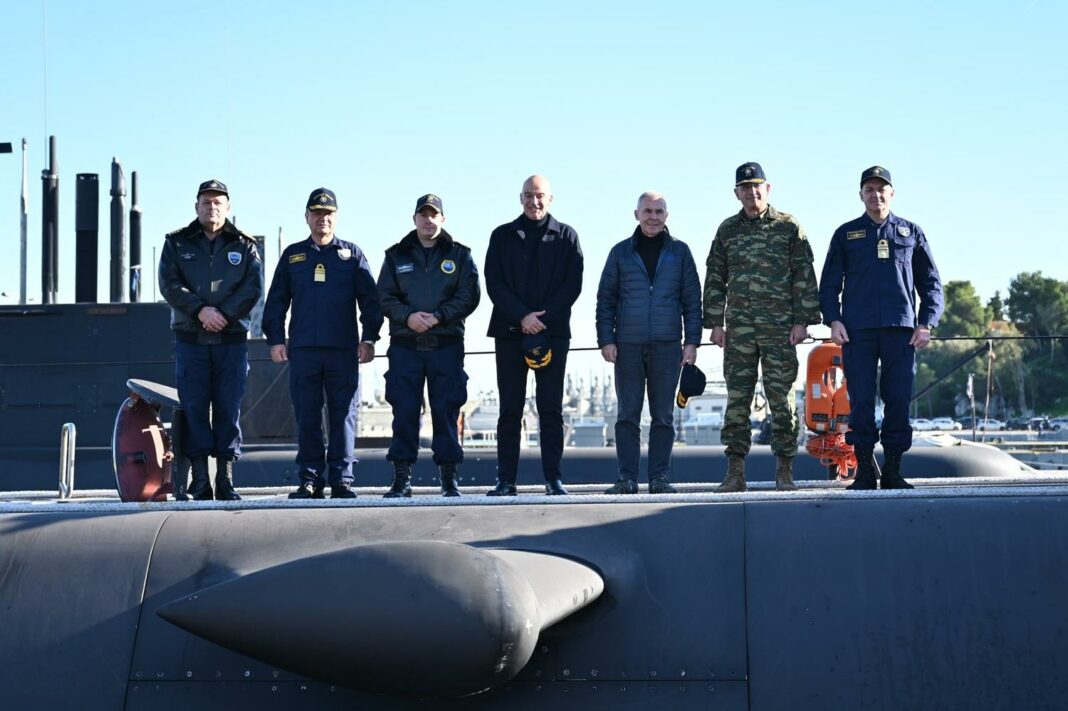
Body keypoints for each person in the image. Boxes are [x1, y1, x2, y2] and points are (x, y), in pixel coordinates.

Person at [819, 166, 943, 490]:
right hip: (857, 331)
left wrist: (926, 323)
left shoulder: (911, 233)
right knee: (860, 400)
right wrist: (833, 319)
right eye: (869, 189)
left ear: (892, 193)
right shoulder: (846, 234)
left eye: (881, 189)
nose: (876, 195)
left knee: (898, 399)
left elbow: (931, 284)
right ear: (861, 195)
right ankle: (863, 471)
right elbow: (829, 283)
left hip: (901, 331)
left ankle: (892, 470)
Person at [704, 162, 821, 492]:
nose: (751, 192)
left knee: (781, 400)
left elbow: (804, 274)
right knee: (737, 401)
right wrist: (714, 323)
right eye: (745, 187)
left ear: (768, 189)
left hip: (780, 329)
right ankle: (735, 472)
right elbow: (715, 276)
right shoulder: (727, 230)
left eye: (757, 186)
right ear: (736, 193)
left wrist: (802, 321)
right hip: (739, 329)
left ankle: (785, 470)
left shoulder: (788, 227)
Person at [262, 188, 383, 499]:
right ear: (307, 217)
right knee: (307, 415)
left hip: (343, 350)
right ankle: (311, 480)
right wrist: (275, 339)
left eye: (328, 214)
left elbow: (371, 301)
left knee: (343, 415)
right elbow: (276, 301)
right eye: (317, 213)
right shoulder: (293, 256)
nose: (322, 219)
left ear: (336, 217)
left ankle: (341, 480)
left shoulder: (352, 255)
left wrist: (369, 338)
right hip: (304, 350)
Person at [158, 179, 263, 500]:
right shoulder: (177, 243)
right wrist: (200, 311)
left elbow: (253, 288)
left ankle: (225, 479)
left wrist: (223, 315)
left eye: (218, 202)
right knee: (195, 408)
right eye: (206, 202)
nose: (212, 207)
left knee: (228, 408)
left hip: (231, 339)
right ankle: (200, 479)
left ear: (227, 207)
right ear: (196, 206)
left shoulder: (244, 245)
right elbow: (169, 284)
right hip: (191, 338)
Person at [484, 175, 583, 496]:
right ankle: (506, 480)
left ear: (550, 199)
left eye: (540, 195)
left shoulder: (567, 237)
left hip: (552, 335)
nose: (534, 201)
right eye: (528, 195)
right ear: (520, 198)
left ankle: (553, 479)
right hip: (510, 333)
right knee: (509, 410)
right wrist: (522, 316)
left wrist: (541, 319)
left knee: (550, 409)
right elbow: (494, 282)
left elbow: (573, 284)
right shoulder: (502, 236)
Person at [596, 191, 701, 494]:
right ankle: (627, 479)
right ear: (637, 214)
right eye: (647, 211)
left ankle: (659, 478)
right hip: (627, 345)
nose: (653, 217)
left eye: (658, 212)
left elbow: (692, 300)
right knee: (627, 415)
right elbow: (605, 299)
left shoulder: (680, 252)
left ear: (667, 216)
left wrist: (692, 342)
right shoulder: (620, 253)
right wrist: (606, 339)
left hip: (668, 345)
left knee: (663, 417)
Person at [377, 194, 481, 498]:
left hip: (445, 344)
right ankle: (402, 480)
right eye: (423, 215)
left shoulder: (460, 255)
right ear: (414, 219)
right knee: (404, 411)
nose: (428, 220)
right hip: (406, 345)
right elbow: (383, 296)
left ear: (442, 219)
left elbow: (470, 295)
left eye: (433, 215)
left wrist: (439, 316)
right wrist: (408, 317)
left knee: (446, 411)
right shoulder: (396, 255)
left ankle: (449, 480)